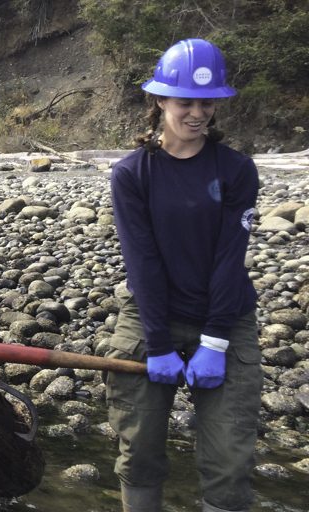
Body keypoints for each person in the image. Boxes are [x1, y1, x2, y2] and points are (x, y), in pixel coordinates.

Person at [106, 38, 261, 512]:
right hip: (152, 314)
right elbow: (143, 262)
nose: (197, 113)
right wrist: (156, 342)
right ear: (159, 100)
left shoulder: (236, 169)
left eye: (207, 102)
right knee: (140, 454)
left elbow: (229, 258)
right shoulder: (132, 173)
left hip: (226, 316)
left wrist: (214, 341)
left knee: (230, 463)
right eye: (184, 102)